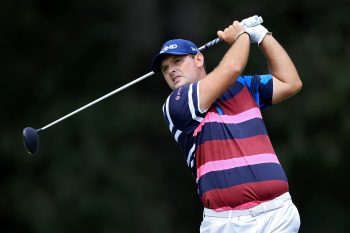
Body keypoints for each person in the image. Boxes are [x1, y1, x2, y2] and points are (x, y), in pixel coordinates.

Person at [151, 17, 302, 233]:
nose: (171, 70)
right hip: (228, 223)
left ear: (199, 59)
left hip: (279, 214)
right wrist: (241, 35)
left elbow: (290, 83)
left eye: (177, 61)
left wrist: (263, 37)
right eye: (165, 68)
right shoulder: (178, 104)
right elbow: (233, 67)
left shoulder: (242, 88)